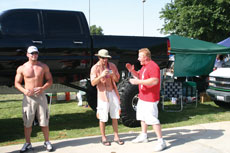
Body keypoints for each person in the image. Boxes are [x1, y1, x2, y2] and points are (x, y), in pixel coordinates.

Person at [126, 48, 166, 152]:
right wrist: (132, 71)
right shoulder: (144, 67)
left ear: (146, 57)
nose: (138, 58)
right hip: (143, 97)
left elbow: (154, 81)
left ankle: (161, 141)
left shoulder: (153, 66)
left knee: (152, 119)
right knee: (142, 117)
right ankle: (144, 136)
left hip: (150, 98)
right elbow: (141, 76)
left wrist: (138, 82)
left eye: (140, 56)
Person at [14, 46, 53, 152]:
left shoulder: (43, 66)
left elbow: (49, 80)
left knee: (44, 120)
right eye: (32, 53)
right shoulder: (22, 68)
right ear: (27, 54)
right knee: (27, 122)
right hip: (28, 98)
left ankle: (47, 141)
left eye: (35, 53)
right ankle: (27, 143)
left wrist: (42, 88)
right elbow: (16, 83)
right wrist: (24, 91)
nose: (34, 55)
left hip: (41, 97)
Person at [90, 49, 124, 146]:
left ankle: (116, 136)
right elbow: (93, 83)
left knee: (115, 115)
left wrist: (113, 75)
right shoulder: (95, 68)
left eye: (106, 58)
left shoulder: (112, 66)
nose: (105, 60)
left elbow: (117, 80)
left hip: (112, 92)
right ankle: (103, 137)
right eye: (103, 58)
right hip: (102, 94)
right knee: (102, 117)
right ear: (99, 57)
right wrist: (101, 76)